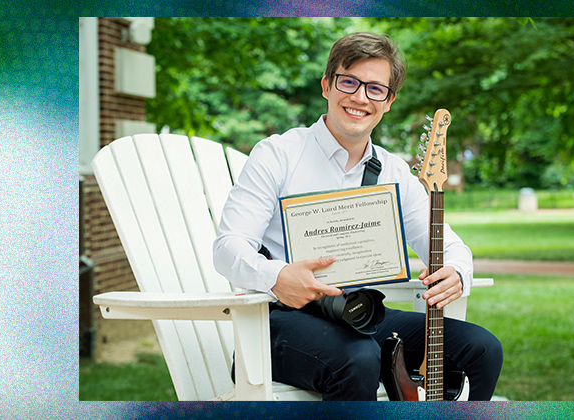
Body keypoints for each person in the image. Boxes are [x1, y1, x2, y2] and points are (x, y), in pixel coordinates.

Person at [213, 32, 502, 401]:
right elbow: (228, 248)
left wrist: (457, 271)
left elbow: (450, 247)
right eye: (348, 81)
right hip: (278, 322)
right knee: (359, 357)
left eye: (375, 88)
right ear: (326, 86)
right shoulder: (278, 154)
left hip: (358, 317)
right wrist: (278, 275)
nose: (360, 97)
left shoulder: (394, 171)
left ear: (389, 101)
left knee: (482, 348)